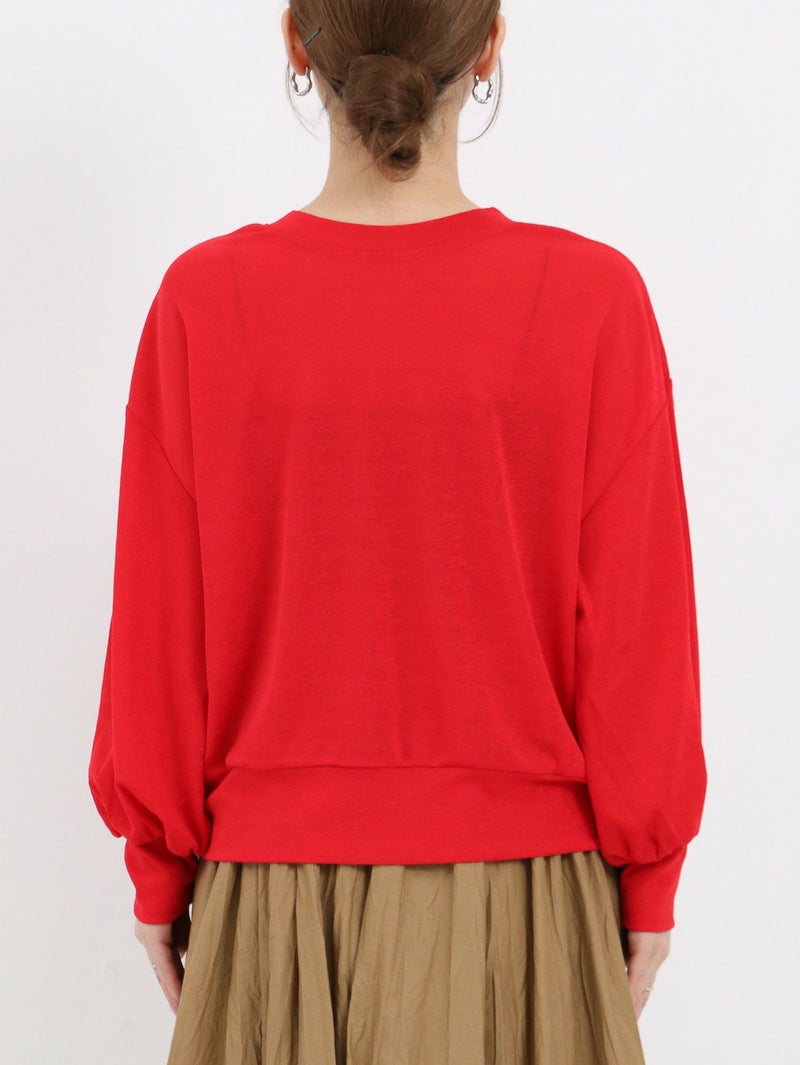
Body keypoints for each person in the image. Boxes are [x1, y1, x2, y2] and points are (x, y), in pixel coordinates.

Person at [87, 2, 708, 1063]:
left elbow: (158, 633)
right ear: (490, 44)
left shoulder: (204, 302)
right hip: (523, 908)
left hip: (272, 905)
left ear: (298, 40)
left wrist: (158, 870)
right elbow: (638, 642)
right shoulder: (589, 300)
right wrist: (648, 879)